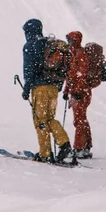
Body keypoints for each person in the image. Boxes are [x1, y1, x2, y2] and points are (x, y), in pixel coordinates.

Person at [19, 18, 72, 163]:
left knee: (40, 121)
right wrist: (59, 84)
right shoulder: (49, 44)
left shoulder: (30, 46)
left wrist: (26, 88)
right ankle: (64, 142)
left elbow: (29, 70)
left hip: (40, 89)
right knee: (50, 119)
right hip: (54, 88)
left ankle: (45, 153)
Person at [65, 30, 106, 161]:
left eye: (70, 40)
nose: (69, 42)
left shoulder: (81, 54)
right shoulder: (74, 54)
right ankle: (85, 147)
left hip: (82, 92)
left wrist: (77, 91)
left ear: (76, 40)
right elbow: (71, 75)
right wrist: (66, 91)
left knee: (79, 120)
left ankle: (79, 148)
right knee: (81, 119)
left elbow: (81, 75)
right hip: (78, 91)